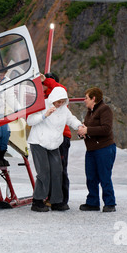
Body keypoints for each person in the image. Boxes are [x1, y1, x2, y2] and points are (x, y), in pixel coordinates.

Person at [27, 86, 83, 212]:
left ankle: (56, 201)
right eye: (59, 101)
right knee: (44, 172)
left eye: (63, 101)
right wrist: (44, 115)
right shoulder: (42, 105)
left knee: (57, 171)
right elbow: (30, 121)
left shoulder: (63, 109)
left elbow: (71, 119)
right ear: (53, 98)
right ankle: (37, 201)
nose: (60, 104)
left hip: (54, 144)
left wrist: (79, 126)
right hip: (38, 142)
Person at [77, 87, 117, 212]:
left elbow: (106, 129)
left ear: (94, 98)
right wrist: (82, 133)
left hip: (104, 149)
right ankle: (93, 202)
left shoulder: (104, 109)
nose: (84, 101)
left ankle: (110, 203)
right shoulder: (90, 111)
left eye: (86, 98)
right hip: (91, 150)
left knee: (104, 176)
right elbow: (88, 127)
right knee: (91, 177)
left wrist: (87, 130)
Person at [41, 72, 72, 209]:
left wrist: (46, 80)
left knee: (59, 169)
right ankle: (50, 198)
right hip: (47, 138)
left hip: (61, 137)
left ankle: (61, 201)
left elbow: (60, 89)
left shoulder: (61, 98)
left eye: (46, 84)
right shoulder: (44, 99)